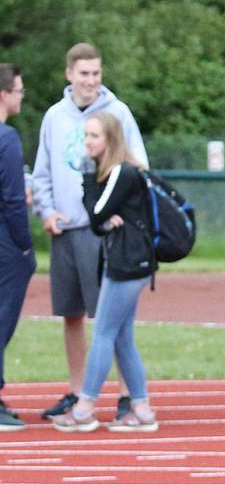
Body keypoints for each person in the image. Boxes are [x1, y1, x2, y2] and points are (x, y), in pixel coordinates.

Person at [31, 42, 147, 421]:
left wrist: (121, 214)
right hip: (67, 228)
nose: (91, 81)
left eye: (96, 73)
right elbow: (43, 171)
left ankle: (127, 395)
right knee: (72, 313)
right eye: (84, 74)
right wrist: (47, 211)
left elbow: (137, 166)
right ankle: (77, 389)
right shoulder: (55, 116)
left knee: (113, 320)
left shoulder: (118, 112)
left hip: (107, 233)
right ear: (70, 75)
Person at [51, 112, 158, 433]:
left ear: (110, 140)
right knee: (122, 336)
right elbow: (100, 222)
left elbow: (95, 215)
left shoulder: (122, 172)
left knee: (103, 333)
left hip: (128, 263)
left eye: (94, 136)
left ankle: (84, 407)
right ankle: (142, 409)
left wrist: (87, 179)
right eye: (86, 135)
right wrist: (104, 219)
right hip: (129, 261)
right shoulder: (115, 173)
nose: (87, 142)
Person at [0, 64, 36, 431]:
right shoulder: (6, 138)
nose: (21, 96)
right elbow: (13, 199)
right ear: (3, 94)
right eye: (18, 90)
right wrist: (25, 245)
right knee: (2, 317)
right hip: (4, 242)